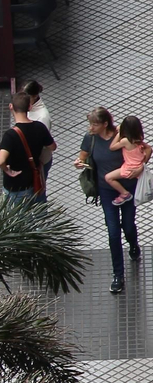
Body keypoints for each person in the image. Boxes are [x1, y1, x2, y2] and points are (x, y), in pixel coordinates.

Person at [77, 109, 141, 295]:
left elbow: (143, 149)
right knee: (113, 233)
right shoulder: (91, 138)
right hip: (106, 191)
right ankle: (118, 275)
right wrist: (79, 162)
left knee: (128, 226)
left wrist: (139, 167)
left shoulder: (122, 135)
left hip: (127, 188)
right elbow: (82, 156)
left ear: (105, 124)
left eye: (94, 124)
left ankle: (134, 245)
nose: (91, 127)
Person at [0, 92, 54, 203]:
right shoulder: (40, 127)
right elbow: (52, 147)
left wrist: (7, 170)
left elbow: (0, 161)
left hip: (14, 186)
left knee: (17, 217)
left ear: (11, 107)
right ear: (29, 107)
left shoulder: (10, 135)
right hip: (33, 181)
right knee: (36, 210)